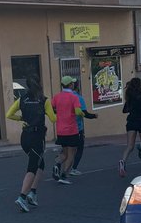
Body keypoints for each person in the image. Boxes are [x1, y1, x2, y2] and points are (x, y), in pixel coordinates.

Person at [6, 76, 56, 212]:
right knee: (32, 167)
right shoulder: (44, 100)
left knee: (41, 163)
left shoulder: (22, 99)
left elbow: (9, 114)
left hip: (25, 137)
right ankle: (22, 197)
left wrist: (21, 118)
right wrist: (51, 111)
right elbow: (53, 118)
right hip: (37, 137)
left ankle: (32, 193)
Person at [50, 75, 87, 184]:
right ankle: (64, 175)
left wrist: (58, 113)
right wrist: (82, 113)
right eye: (72, 83)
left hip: (60, 129)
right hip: (71, 129)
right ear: (71, 85)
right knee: (71, 154)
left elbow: (52, 108)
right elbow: (77, 111)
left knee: (64, 152)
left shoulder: (56, 97)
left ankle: (57, 164)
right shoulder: (74, 97)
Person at [69, 79, 94, 175]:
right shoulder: (78, 98)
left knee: (67, 150)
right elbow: (84, 113)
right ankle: (73, 168)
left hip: (65, 128)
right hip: (77, 128)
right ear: (77, 87)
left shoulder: (62, 97)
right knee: (79, 149)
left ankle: (58, 165)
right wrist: (94, 116)